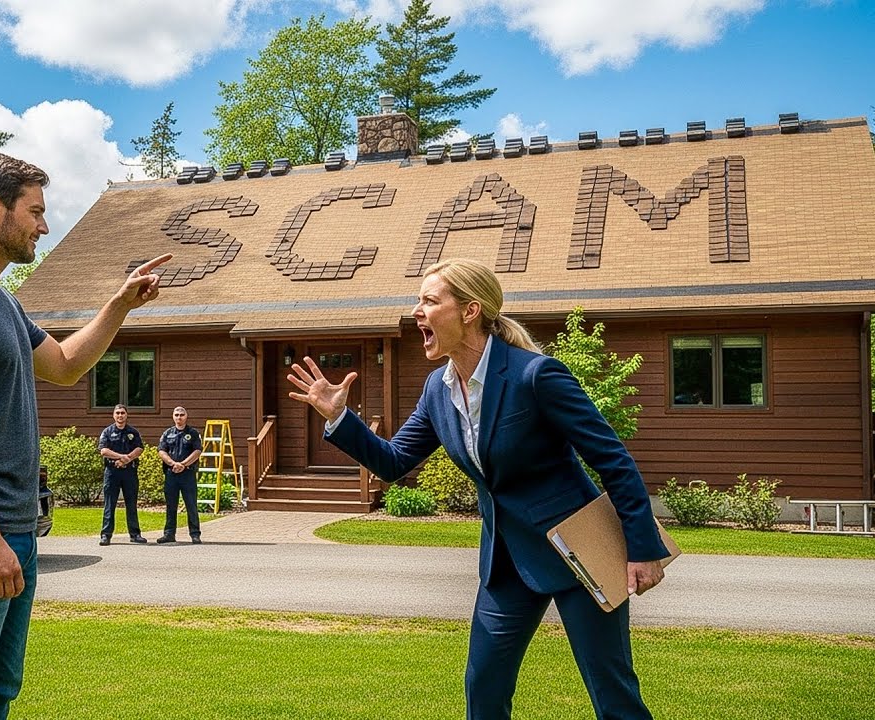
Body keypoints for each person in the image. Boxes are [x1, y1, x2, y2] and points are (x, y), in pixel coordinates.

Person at [287, 258, 668, 720]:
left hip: (581, 550)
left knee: (613, 695)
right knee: (483, 689)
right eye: (418, 301)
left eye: (429, 301)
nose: (416, 311)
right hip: (506, 561)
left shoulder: (536, 376)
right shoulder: (437, 388)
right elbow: (393, 461)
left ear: (469, 311)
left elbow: (613, 460)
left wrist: (642, 548)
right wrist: (339, 419)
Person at [0, 152, 171, 720]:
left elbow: (68, 364)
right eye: (36, 212)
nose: (44, 228)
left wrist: (119, 305)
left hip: (12, 530)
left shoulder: (1, 301)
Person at [97, 404, 146, 545]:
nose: (120, 415)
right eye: (117, 413)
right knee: (109, 504)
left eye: (122, 413)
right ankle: (106, 535)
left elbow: (139, 448)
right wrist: (121, 458)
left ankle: (135, 534)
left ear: (126, 415)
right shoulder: (107, 432)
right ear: (114, 415)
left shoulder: (133, 432)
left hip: (129, 472)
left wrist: (127, 459)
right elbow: (103, 451)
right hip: (112, 472)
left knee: (131, 504)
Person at [156, 406, 203, 544]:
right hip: (171, 474)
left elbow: (197, 451)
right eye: (176, 415)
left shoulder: (193, 433)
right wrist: (172, 464)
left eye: (182, 414)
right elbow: (161, 451)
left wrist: (183, 464)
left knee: (191, 504)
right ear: (173, 416)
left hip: (187, 474)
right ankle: (169, 534)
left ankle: (195, 534)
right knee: (171, 505)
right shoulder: (167, 433)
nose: (179, 417)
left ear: (186, 416)